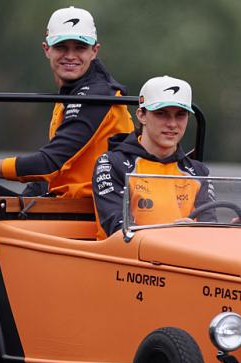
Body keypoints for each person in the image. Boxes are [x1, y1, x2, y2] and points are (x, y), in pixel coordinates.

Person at [0, 6, 134, 198]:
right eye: (61, 47)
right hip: (68, 204)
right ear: (47, 49)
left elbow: (49, 163)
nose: (70, 56)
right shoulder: (71, 92)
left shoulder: (96, 95)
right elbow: (55, 171)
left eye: (80, 47)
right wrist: (26, 199)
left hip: (94, 209)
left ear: (94, 51)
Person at [92, 76, 217, 240]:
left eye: (180, 115)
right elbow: (120, 231)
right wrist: (174, 235)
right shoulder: (111, 164)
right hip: (128, 256)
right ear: (141, 115)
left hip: (185, 254)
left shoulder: (199, 171)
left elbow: (210, 231)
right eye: (161, 114)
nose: (172, 124)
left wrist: (232, 231)